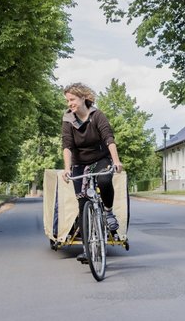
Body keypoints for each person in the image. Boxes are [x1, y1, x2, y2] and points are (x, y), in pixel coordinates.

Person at [61, 83, 123, 262]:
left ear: (83, 98)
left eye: (72, 99)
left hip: (100, 158)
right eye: (67, 100)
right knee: (83, 204)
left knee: (104, 181)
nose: (69, 103)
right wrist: (67, 168)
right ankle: (89, 248)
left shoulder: (97, 115)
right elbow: (67, 145)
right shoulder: (67, 119)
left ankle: (109, 211)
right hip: (79, 162)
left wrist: (116, 161)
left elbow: (109, 138)